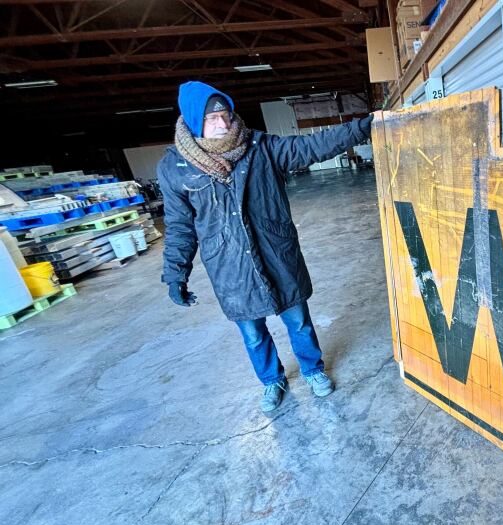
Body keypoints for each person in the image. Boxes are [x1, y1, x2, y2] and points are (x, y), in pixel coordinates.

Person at [158, 81, 373, 415]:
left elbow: (314, 146)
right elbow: (180, 226)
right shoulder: (174, 168)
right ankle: (272, 380)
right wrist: (175, 275)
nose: (222, 123)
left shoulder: (260, 146)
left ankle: (313, 370)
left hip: (276, 253)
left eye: (225, 114)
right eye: (212, 117)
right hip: (229, 266)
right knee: (253, 333)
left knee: (298, 321)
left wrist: (363, 127)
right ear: (193, 119)